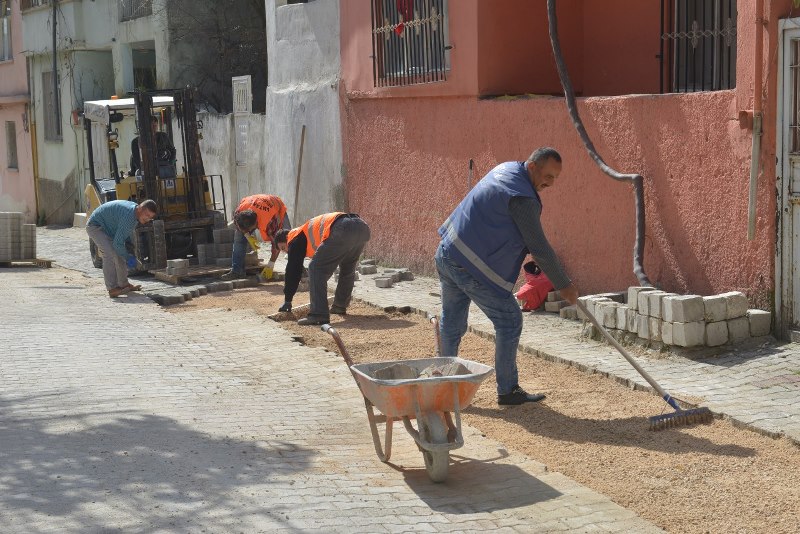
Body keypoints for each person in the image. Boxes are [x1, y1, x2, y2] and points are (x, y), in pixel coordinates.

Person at [435, 147, 579, 405]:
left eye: (555, 178)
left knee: (452, 323)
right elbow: (538, 246)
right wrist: (564, 284)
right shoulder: (523, 197)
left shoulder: (507, 169)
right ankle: (508, 390)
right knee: (510, 320)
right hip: (471, 265)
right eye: (548, 175)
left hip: (448, 250)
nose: (550, 183)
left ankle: (442, 386)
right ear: (532, 167)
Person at [274, 212, 370, 325]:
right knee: (347, 267)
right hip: (362, 227)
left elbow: (292, 270)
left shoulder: (294, 238)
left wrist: (288, 300)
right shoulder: (304, 232)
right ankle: (340, 305)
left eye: (283, 247)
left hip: (342, 228)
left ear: (287, 238)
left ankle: (318, 314)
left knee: (315, 268)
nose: (286, 251)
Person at [86, 199, 158, 298]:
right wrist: (129, 258)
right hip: (95, 227)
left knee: (120, 253)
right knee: (109, 254)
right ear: (141, 209)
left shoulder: (135, 213)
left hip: (109, 229)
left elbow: (123, 237)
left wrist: (128, 249)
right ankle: (112, 289)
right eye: (147, 215)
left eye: (150, 217)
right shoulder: (129, 217)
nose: (148, 219)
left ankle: (124, 284)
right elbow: (117, 244)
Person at [221, 194, 291, 281]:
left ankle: (298, 268)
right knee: (239, 238)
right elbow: (237, 225)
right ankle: (237, 271)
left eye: (249, 230)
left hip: (276, 207)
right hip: (254, 203)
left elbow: (276, 244)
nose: (248, 231)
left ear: (255, 225)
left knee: (288, 239)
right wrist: (247, 235)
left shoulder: (270, 221)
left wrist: (271, 264)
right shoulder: (239, 212)